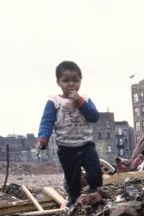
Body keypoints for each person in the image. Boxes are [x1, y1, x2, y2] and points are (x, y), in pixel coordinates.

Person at [35, 60, 102, 204]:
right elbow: (47, 121)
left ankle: (95, 193)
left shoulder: (85, 98)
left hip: (86, 145)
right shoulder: (54, 101)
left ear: (81, 81)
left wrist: (80, 102)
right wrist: (43, 139)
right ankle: (74, 199)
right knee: (72, 176)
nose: (71, 84)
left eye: (75, 80)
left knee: (95, 171)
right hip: (66, 147)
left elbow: (94, 117)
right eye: (66, 80)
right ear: (58, 82)